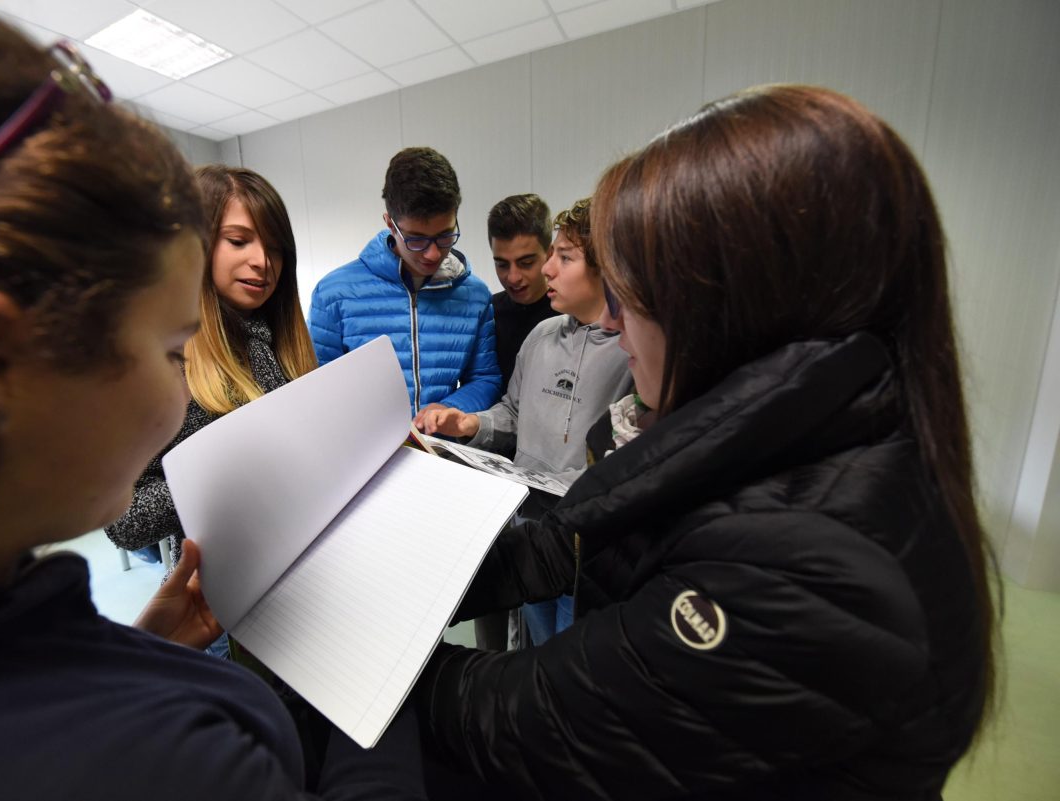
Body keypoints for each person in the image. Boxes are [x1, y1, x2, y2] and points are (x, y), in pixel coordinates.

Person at [0, 4, 423, 799]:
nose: (175, 388)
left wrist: (140, 647)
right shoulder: (166, 756)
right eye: (167, 351)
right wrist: (381, 668)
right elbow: (134, 518)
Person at [413, 84, 998, 801]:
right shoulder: (748, 428)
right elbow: (565, 538)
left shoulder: (808, 572)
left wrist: (345, 647)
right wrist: (407, 579)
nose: (616, 324)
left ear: (726, 306)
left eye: (633, 296)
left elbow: (531, 721)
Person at [418, 199, 632, 647]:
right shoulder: (540, 337)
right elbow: (512, 414)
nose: (547, 270)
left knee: (572, 665)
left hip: (588, 550)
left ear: (606, 265)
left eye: (564, 257)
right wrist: (468, 424)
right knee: (535, 654)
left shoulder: (634, 351)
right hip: (531, 537)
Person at [105, 165, 316, 574]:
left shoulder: (278, 340)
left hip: (299, 564)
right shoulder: (165, 359)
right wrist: (218, 468)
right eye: (239, 241)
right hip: (220, 599)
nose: (262, 262)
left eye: (275, 248)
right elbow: (124, 521)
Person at [309, 147, 500, 419]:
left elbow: (485, 378)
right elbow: (317, 391)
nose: (433, 253)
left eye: (445, 236)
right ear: (390, 223)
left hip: (441, 452)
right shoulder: (333, 295)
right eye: (417, 239)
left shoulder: (475, 296)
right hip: (367, 452)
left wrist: (449, 408)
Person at [487, 194, 558, 396]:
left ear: (550, 254)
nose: (513, 277)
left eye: (526, 263)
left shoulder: (571, 315)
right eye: (501, 264)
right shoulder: (489, 313)